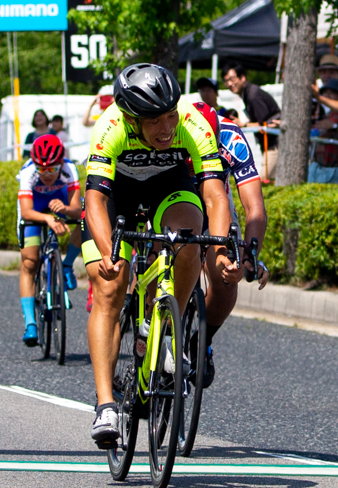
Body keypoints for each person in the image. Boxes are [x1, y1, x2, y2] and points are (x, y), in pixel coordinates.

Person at [83, 63, 238, 449]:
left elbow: (216, 195)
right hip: (118, 192)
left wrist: (217, 251)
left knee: (188, 238)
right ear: (132, 118)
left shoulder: (191, 122)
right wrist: (108, 253)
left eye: (170, 116)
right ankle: (105, 405)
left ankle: (168, 328)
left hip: (169, 185)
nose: (167, 128)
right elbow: (95, 199)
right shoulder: (109, 127)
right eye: (154, 121)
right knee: (110, 285)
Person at [189, 99, 270, 386]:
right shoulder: (169, 132)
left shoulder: (231, 137)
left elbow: (255, 208)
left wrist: (250, 252)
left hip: (217, 208)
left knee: (226, 277)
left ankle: (202, 340)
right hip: (173, 203)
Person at [17, 134, 83, 345]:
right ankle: (30, 324)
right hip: (35, 207)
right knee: (29, 262)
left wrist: (64, 210)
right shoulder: (28, 172)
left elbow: (76, 210)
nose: (46, 174)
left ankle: (66, 265)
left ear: (61, 163)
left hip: (60, 199)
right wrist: (47, 218)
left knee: (88, 219)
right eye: (42, 169)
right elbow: (26, 212)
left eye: (52, 169)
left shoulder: (69, 170)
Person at [308, 79, 338, 183]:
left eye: (332, 92)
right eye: (326, 92)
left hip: (337, 165)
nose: (328, 95)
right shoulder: (329, 114)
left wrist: (334, 126)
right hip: (324, 164)